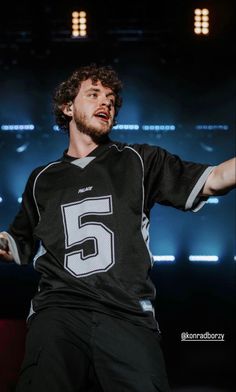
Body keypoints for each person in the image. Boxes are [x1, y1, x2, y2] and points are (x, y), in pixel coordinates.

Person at [0, 64, 235, 392]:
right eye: (93, 94)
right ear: (67, 107)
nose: (106, 103)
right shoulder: (42, 179)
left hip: (127, 310)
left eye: (111, 99)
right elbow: (17, 243)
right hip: (59, 309)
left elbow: (216, 179)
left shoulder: (139, 160)